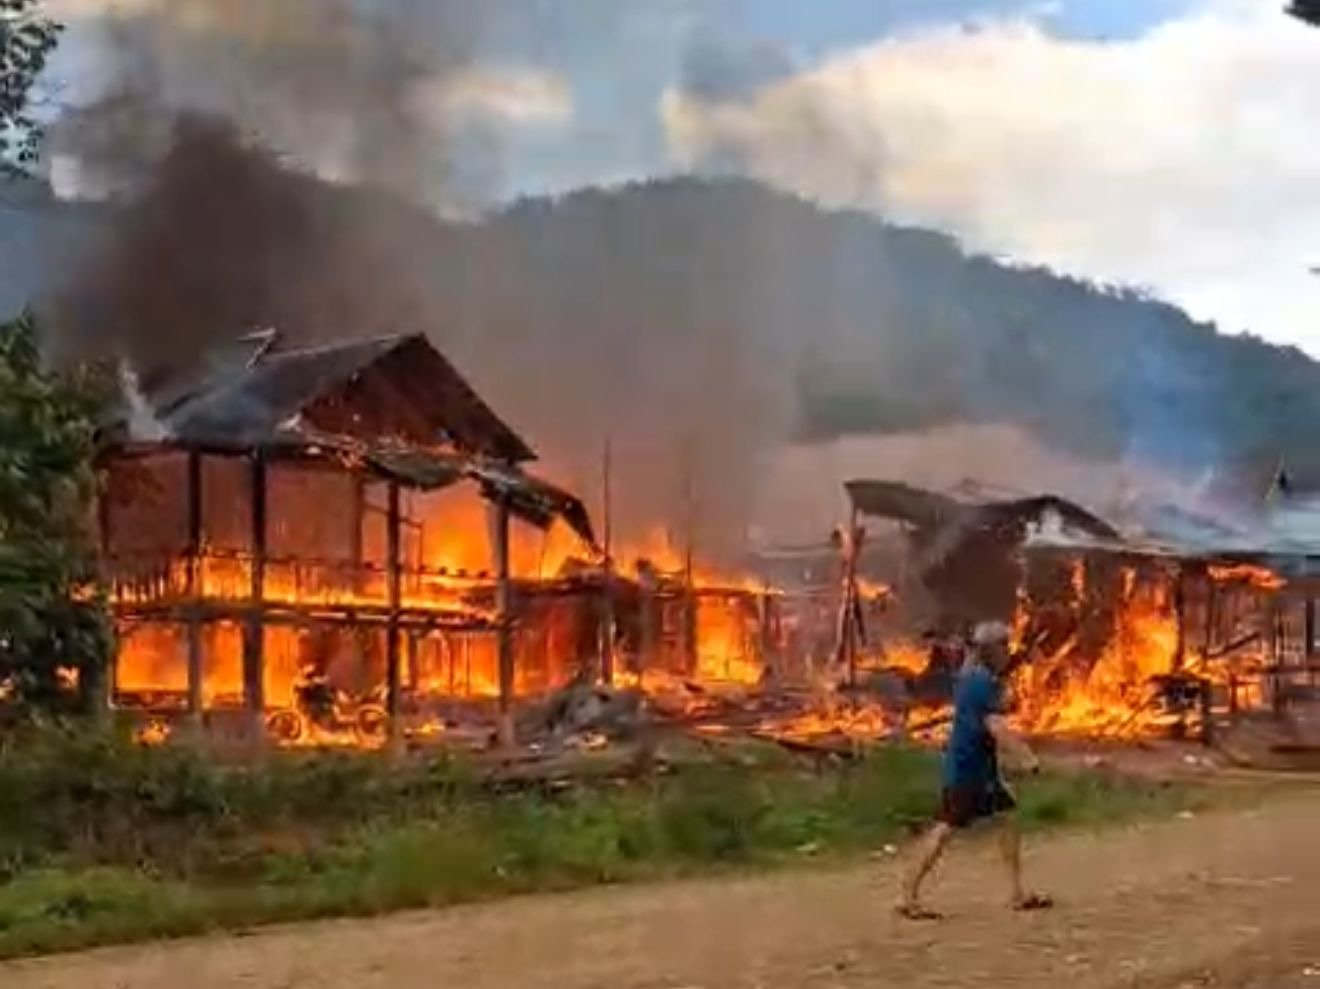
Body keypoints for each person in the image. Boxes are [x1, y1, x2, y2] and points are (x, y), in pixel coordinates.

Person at [896, 620, 1052, 920]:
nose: (1008, 650)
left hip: (980, 767)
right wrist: (1026, 757)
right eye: (1004, 645)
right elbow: (996, 727)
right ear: (992, 649)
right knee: (944, 829)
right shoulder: (983, 682)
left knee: (1007, 818)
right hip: (968, 768)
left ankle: (1017, 893)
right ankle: (907, 895)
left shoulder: (973, 676)